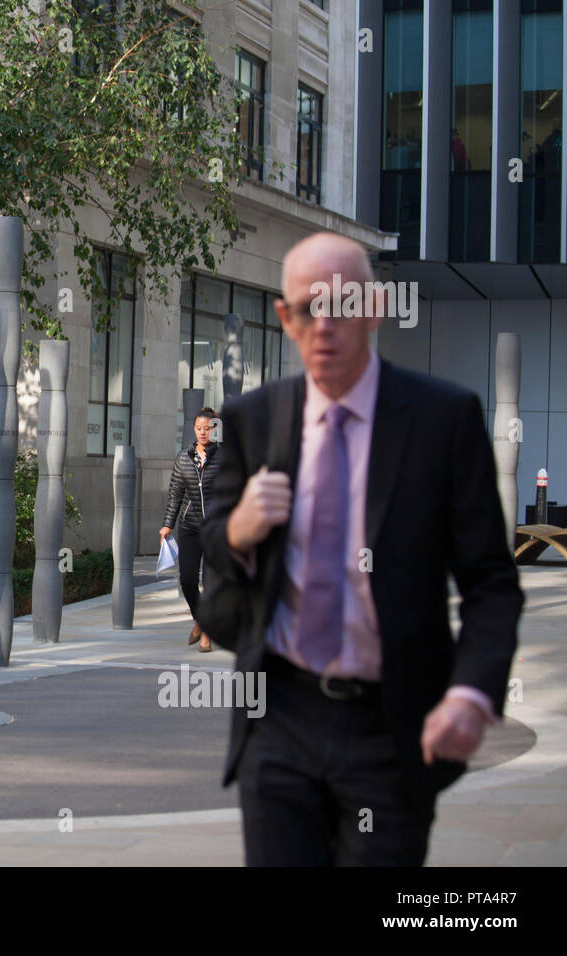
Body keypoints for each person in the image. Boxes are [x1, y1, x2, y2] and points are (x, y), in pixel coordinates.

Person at [200, 232, 522, 866]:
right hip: (280, 719)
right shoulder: (253, 420)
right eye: (305, 309)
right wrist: (238, 529)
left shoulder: (443, 420)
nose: (323, 325)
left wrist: (471, 694)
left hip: (393, 727)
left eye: (340, 304)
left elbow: (491, 583)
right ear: (284, 319)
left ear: (374, 307)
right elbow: (212, 541)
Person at [160, 407, 222, 652]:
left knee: (209, 582)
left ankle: (206, 633)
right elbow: (175, 494)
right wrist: (167, 525)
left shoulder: (225, 457)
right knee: (187, 580)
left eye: (207, 428)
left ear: (215, 429)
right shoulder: (183, 458)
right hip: (190, 527)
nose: (203, 432)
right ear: (193, 429)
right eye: (199, 428)